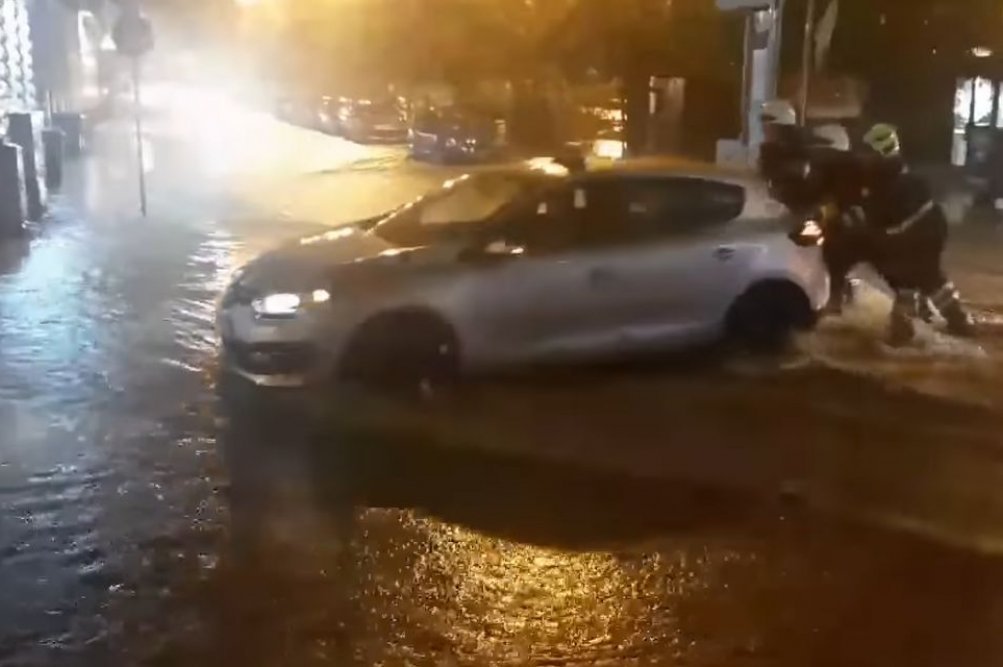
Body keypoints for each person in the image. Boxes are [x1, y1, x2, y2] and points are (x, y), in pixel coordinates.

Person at [858, 123, 976, 344]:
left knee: (923, 277)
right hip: (914, 236)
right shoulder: (884, 178)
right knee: (919, 278)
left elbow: (903, 222)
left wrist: (883, 237)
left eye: (869, 152)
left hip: (922, 235)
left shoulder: (899, 182)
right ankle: (935, 318)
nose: (864, 157)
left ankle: (946, 321)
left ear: (882, 151)